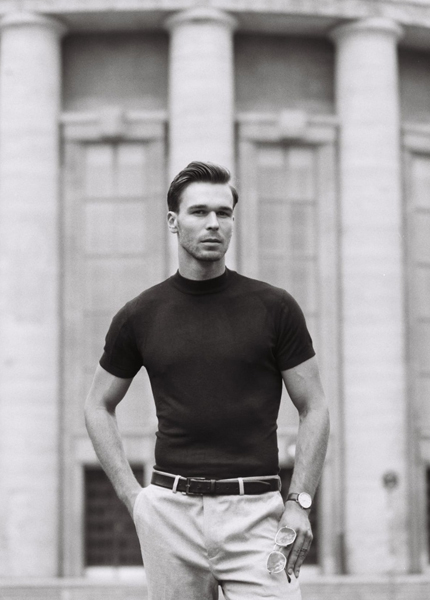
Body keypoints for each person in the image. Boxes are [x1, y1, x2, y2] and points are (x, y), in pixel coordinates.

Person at [84, 161, 330, 600]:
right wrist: (133, 498)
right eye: (199, 212)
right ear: (173, 221)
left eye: (224, 212)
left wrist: (300, 502)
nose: (214, 223)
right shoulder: (140, 314)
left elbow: (314, 406)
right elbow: (97, 404)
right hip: (170, 515)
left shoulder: (275, 307)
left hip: (256, 515)